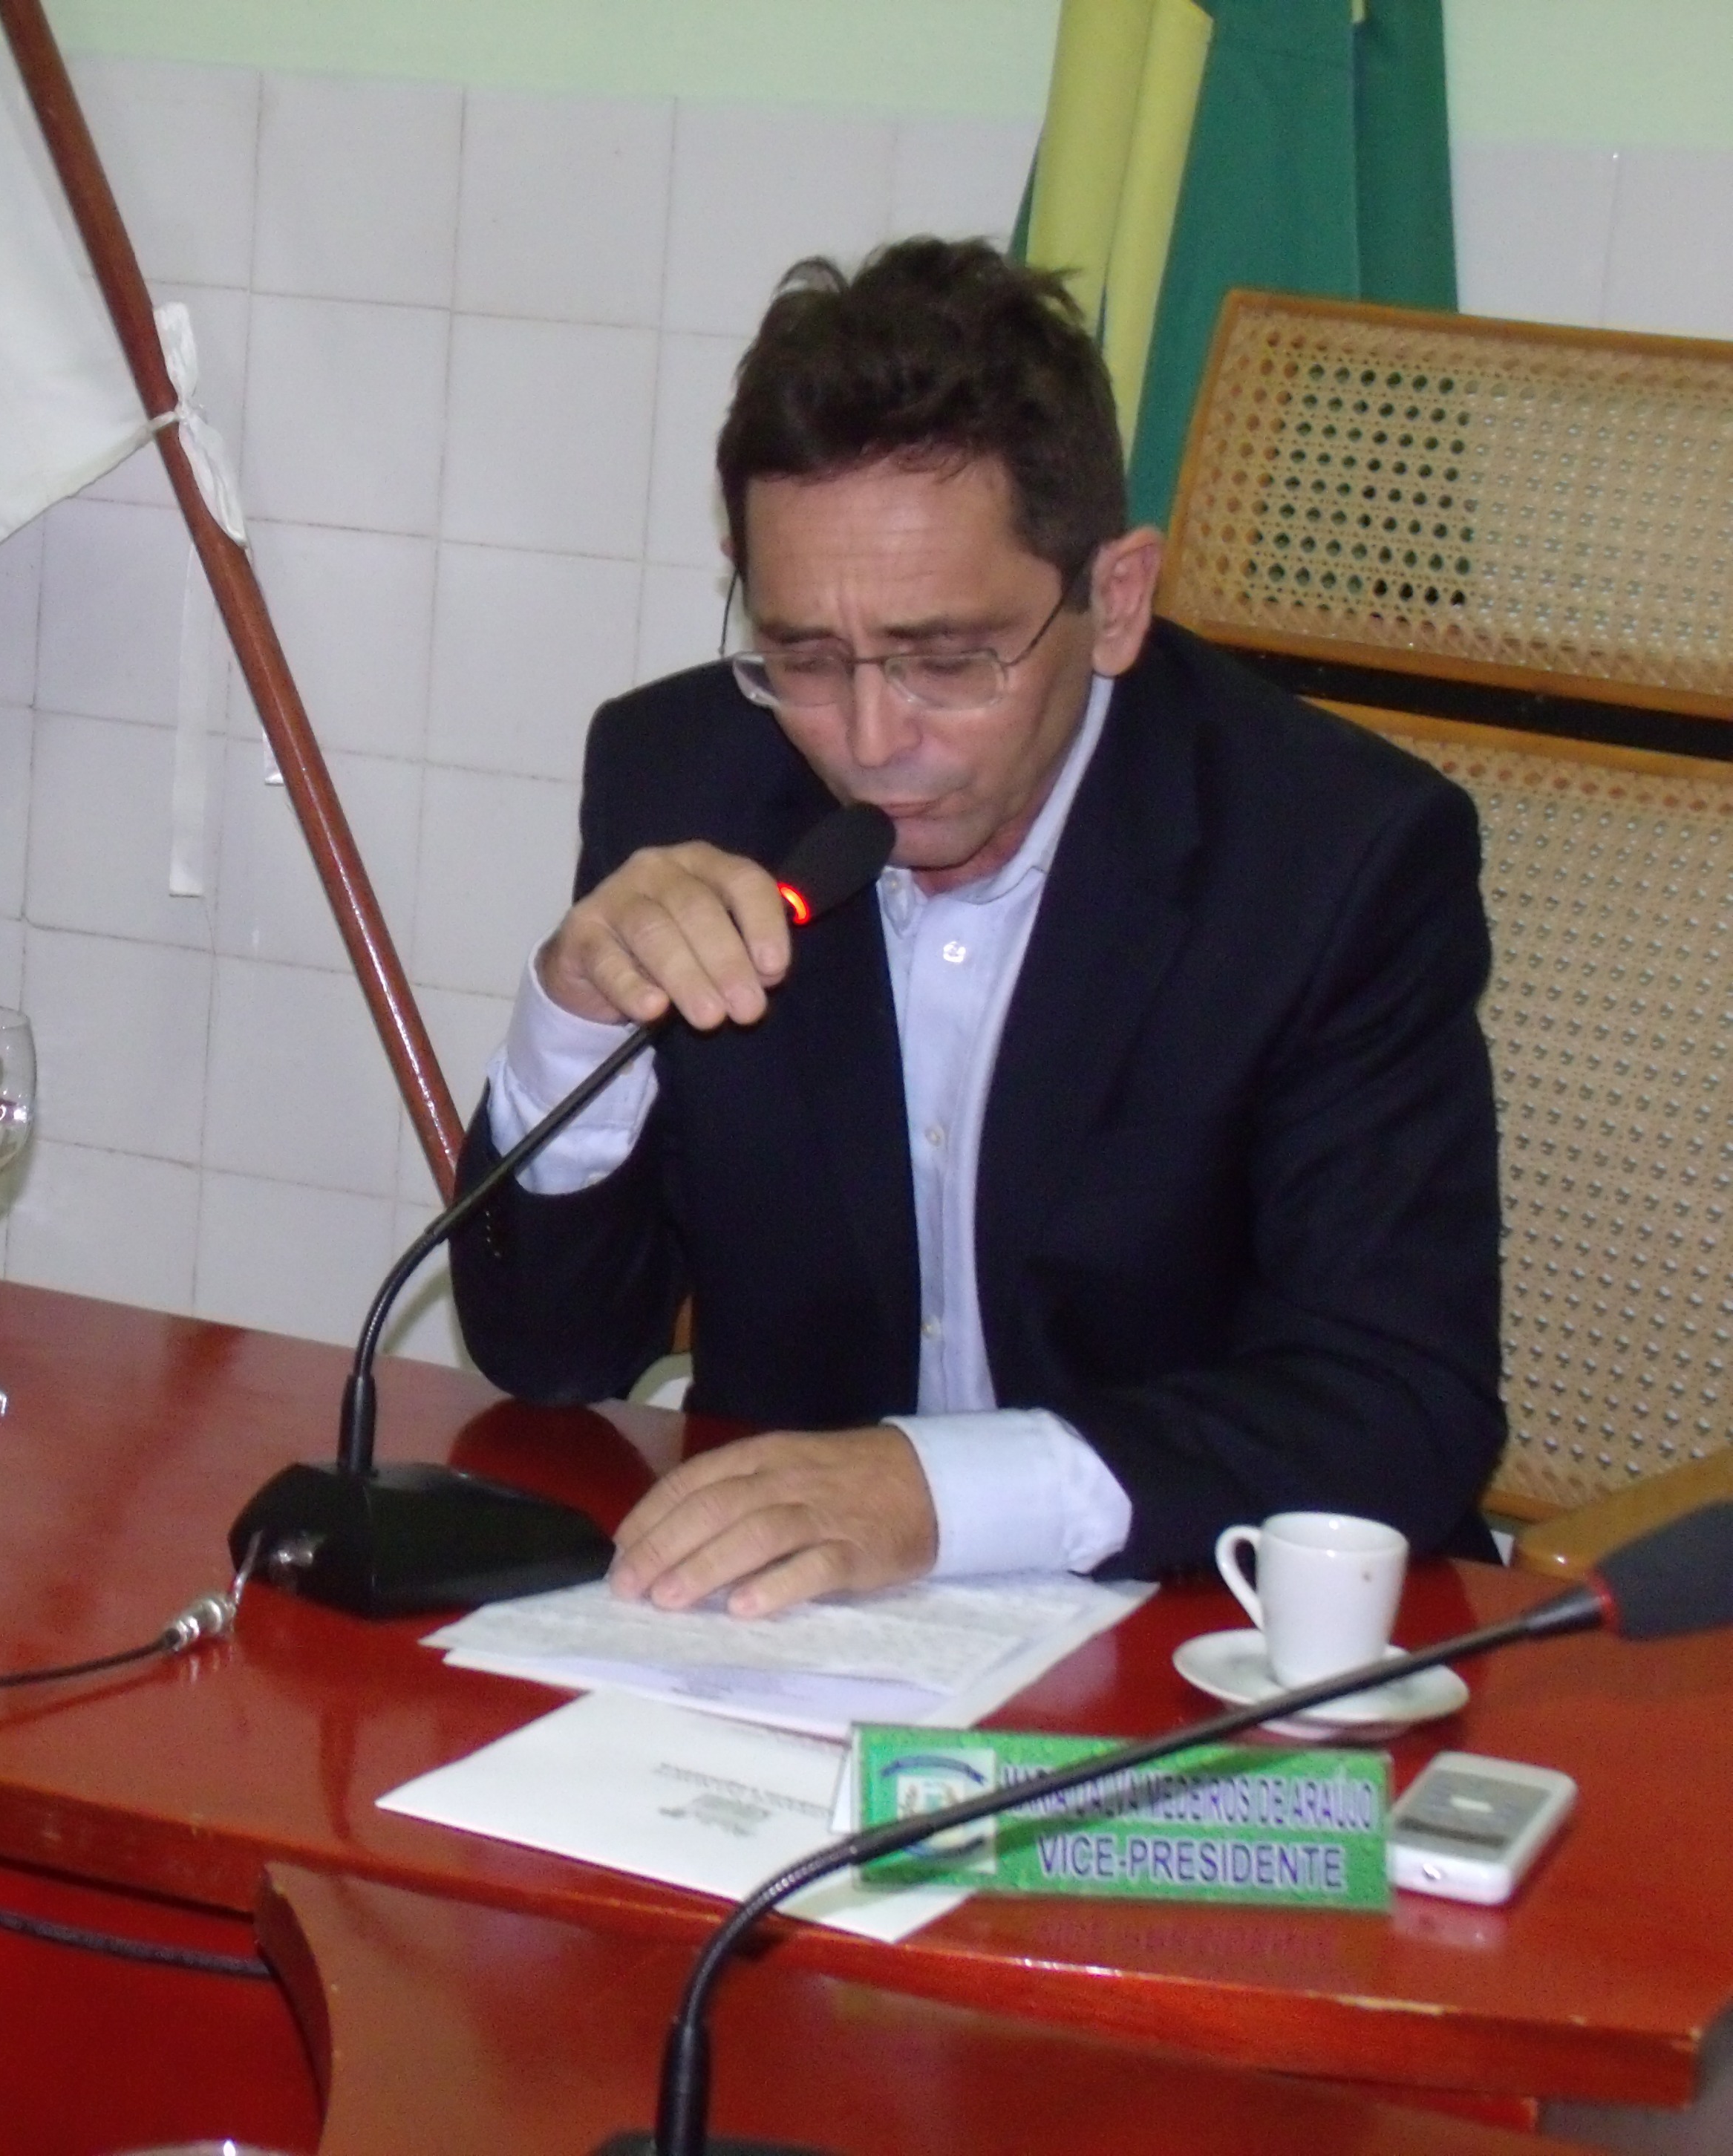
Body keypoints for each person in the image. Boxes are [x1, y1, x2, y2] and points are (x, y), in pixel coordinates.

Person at [448, 237, 1503, 1619]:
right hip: (794, 1642)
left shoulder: (1332, 857)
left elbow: (1400, 1406)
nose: (873, 738)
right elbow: (552, 1354)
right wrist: (575, 1018)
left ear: (1114, 601)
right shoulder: (687, 777)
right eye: (805, 657)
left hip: (1195, 1624)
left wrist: (936, 1494)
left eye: (947, 660)